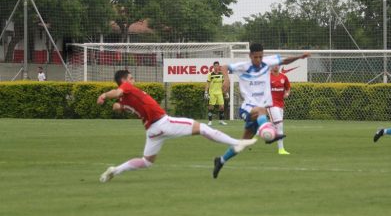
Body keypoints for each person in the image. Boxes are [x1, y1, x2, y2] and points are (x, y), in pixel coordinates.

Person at [97, 70, 256, 183]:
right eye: (131, 78)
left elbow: (119, 104)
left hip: (152, 131)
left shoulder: (126, 98)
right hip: (163, 123)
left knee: (147, 162)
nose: (133, 80)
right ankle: (237, 142)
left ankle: (115, 170)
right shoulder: (126, 88)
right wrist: (104, 95)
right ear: (124, 81)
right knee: (203, 128)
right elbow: (116, 93)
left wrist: (117, 106)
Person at [212, 43, 309, 178]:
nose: (258, 60)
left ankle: (221, 160)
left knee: (243, 143)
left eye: (260, 57)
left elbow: (285, 60)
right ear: (250, 55)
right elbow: (224, 67)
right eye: (255, 57)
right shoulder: (243, 67)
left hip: (259, 113)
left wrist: (300, 57)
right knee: (261, 110)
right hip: (247, 108)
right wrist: (226, 79)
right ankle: (269, 133)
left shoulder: (267, 62)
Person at [269, 65, 291, 155]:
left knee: (275, 125)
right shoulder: (267, 77)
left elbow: (288, 88)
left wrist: (287, 93)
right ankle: (281, 150)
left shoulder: (284, 77)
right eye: (274, 65)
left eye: (277, 65)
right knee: (279, 126)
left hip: (280, 104)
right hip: (271, 104)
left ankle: (260, 130)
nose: (276, 66)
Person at [204, 61, 227, 126]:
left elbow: (224, 84)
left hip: (219, 93)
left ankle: (221, 121)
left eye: (217, 66)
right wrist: (206, 92)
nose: (216, 67)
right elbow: (207, 84)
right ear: (213, 66)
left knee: (222, 107)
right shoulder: (210, 74)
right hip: (212, 93)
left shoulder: (221, 74)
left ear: (219, 66)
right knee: (211, 107)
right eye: (215, 66)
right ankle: (210, 121)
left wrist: (225, 93)